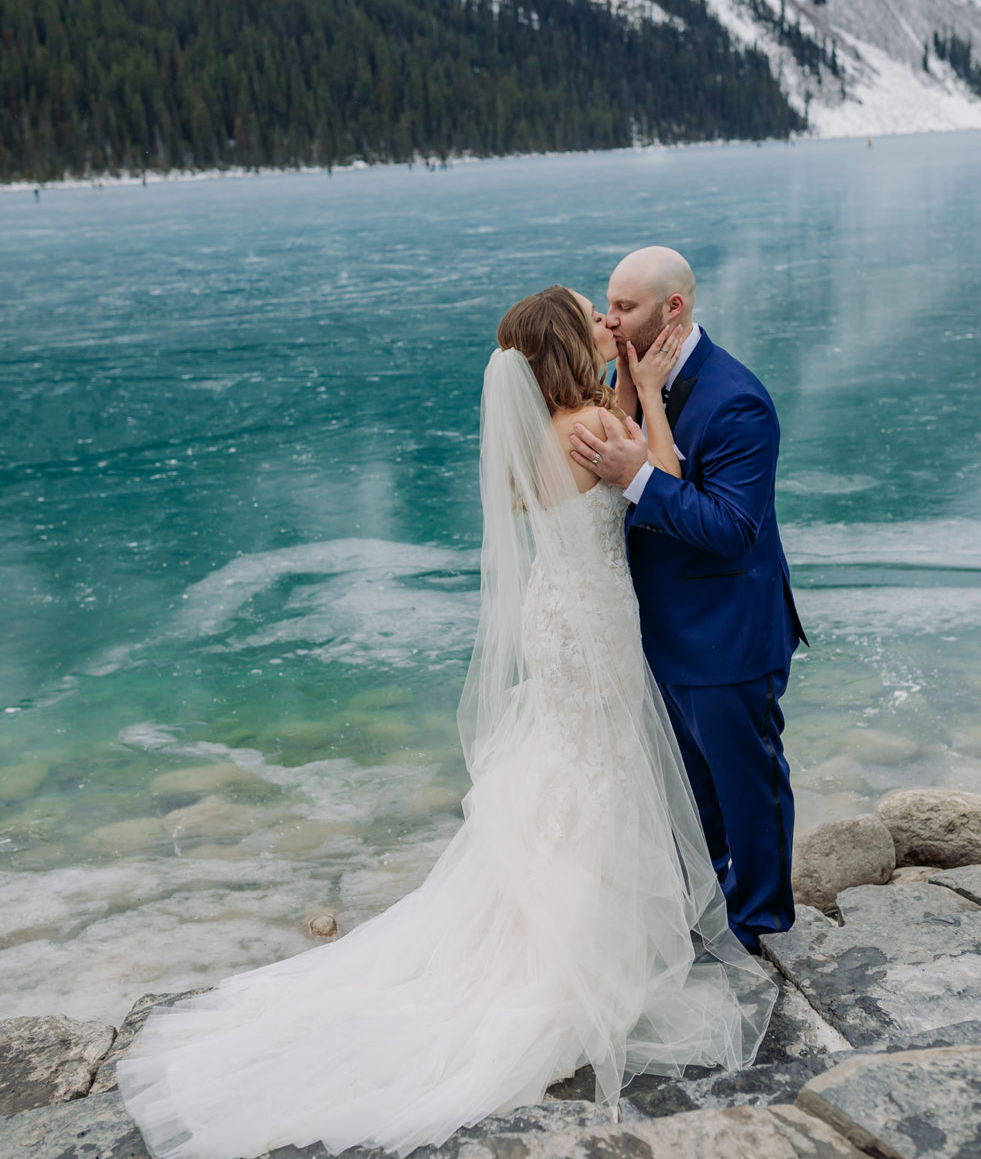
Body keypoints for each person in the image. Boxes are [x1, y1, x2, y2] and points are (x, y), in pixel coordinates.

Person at [117, 285, 775, 1159]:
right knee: (604, 766)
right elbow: (668, 475)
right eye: (593, 318)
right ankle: (582, 949)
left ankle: (554, 920)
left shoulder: (540, 426)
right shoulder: (599, 424)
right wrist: (649, 394)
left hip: (556, 611)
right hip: (597, 620)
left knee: (565, 758)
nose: (607, 324)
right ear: (571, 345)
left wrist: (614, 387)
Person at [569, 249, 806, 951]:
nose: (611, 320)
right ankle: (706, 923)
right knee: (691, 800)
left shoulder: (737, 400)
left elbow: (734, 531)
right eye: (608, 305)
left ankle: (761, 932)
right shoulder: (623, 377)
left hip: (726, 636)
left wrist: (638, 477)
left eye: (626, 307)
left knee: (747, 792)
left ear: (673, 309)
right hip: (655, 635)